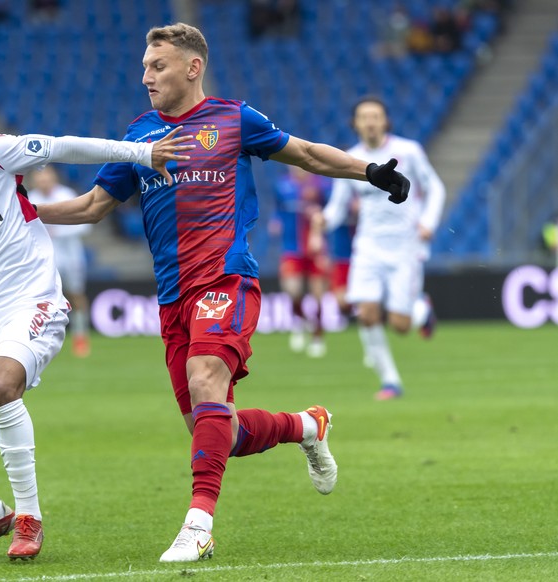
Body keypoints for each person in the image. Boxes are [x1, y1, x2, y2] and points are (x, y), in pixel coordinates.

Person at [34, 23, 410, 562]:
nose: (146, 76)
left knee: (206, 378)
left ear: (192, 67)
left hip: (226, 278)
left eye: (157, 66)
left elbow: (305, 154)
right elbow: (94, 205)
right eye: (144, 66)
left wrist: (368, 171)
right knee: (218, 431)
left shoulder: (234, 119)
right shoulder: (138, 135)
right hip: (172, 299)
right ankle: (307, 425)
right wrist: (26, 212)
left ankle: (199, 525)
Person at [0, 97, 191, 561]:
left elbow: (63, 147)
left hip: (32, 302)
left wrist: (141, 154)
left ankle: (28, 519)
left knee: (1, 386)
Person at [310, 96, 445, 400]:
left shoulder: (408, 151)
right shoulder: (351, 159)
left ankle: (422, 311)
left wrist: (429, 222)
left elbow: (435, 186)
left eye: (375, 116)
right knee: (367, 313)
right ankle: (390, 381)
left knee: (400, 324)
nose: (370, 121)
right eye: (364, 116)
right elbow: (338, 208)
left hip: (405, 246)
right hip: (368, 246)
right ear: (355, 123)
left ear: (385, 121)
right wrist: (323, 221)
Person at [27, 165, 93, 357]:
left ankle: (81, 336)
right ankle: (40, 339)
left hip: (71, 254)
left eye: (47, 178)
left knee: (76, 295)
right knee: (40, 297)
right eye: (40, 179)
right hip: (42, 258)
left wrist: (57, 230)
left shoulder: (66, 194)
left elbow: (84, 224)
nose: (43, 182)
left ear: (54, 178)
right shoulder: (29, 198)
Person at [273, 165, 332, 357]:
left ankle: (317, 336)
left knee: (318, 295)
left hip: (316, 249)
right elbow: (278, 209)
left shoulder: (321, 186)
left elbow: (330, 212)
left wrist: (321, 232)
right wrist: (276, 220)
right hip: (292, 248)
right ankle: (300, 323)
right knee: (293, 291)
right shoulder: (283, 186)